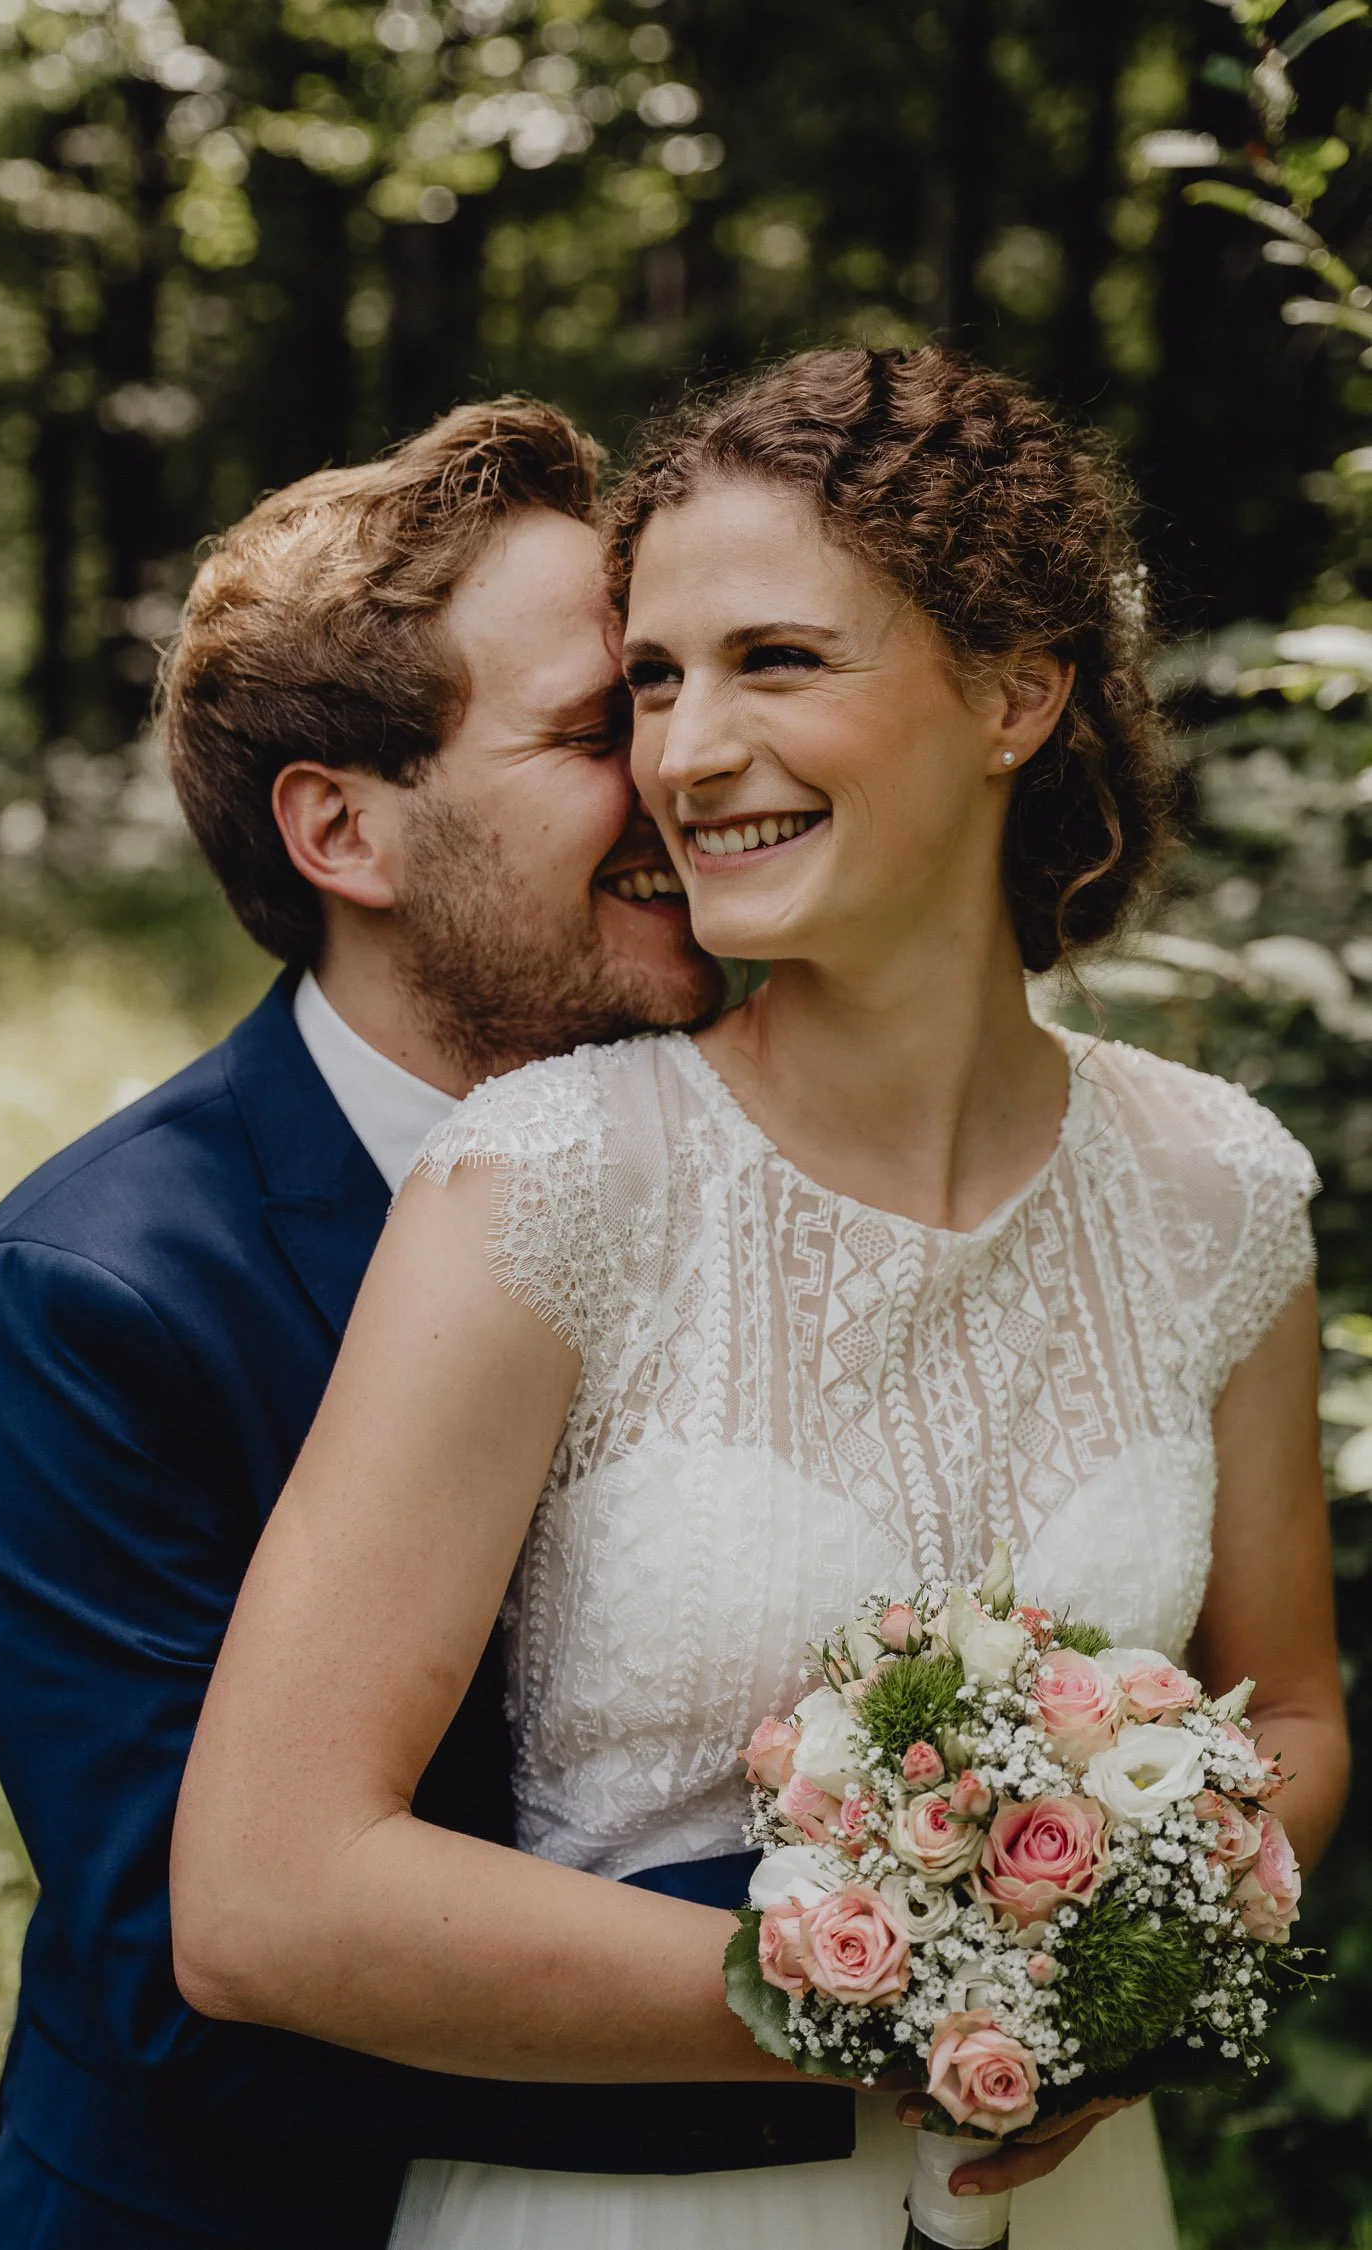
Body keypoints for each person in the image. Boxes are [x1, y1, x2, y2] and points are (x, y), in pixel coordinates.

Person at [171, 345, 1351, 2249]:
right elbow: (267, 1893)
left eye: (776, 661)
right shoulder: (546, 1185)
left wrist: (1145, 1950)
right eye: (652, 678)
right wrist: (931, 2000)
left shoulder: (1219, 1192)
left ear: (1015, 694)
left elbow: (1290, 1709)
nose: (685, 753)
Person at [0, 396, 738, 2250]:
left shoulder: (782, 1187)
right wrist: (890, 2005)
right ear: (343, 830)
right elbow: (209, 1996)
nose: (690, 774)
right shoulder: (91, 1300)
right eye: (603, 725)